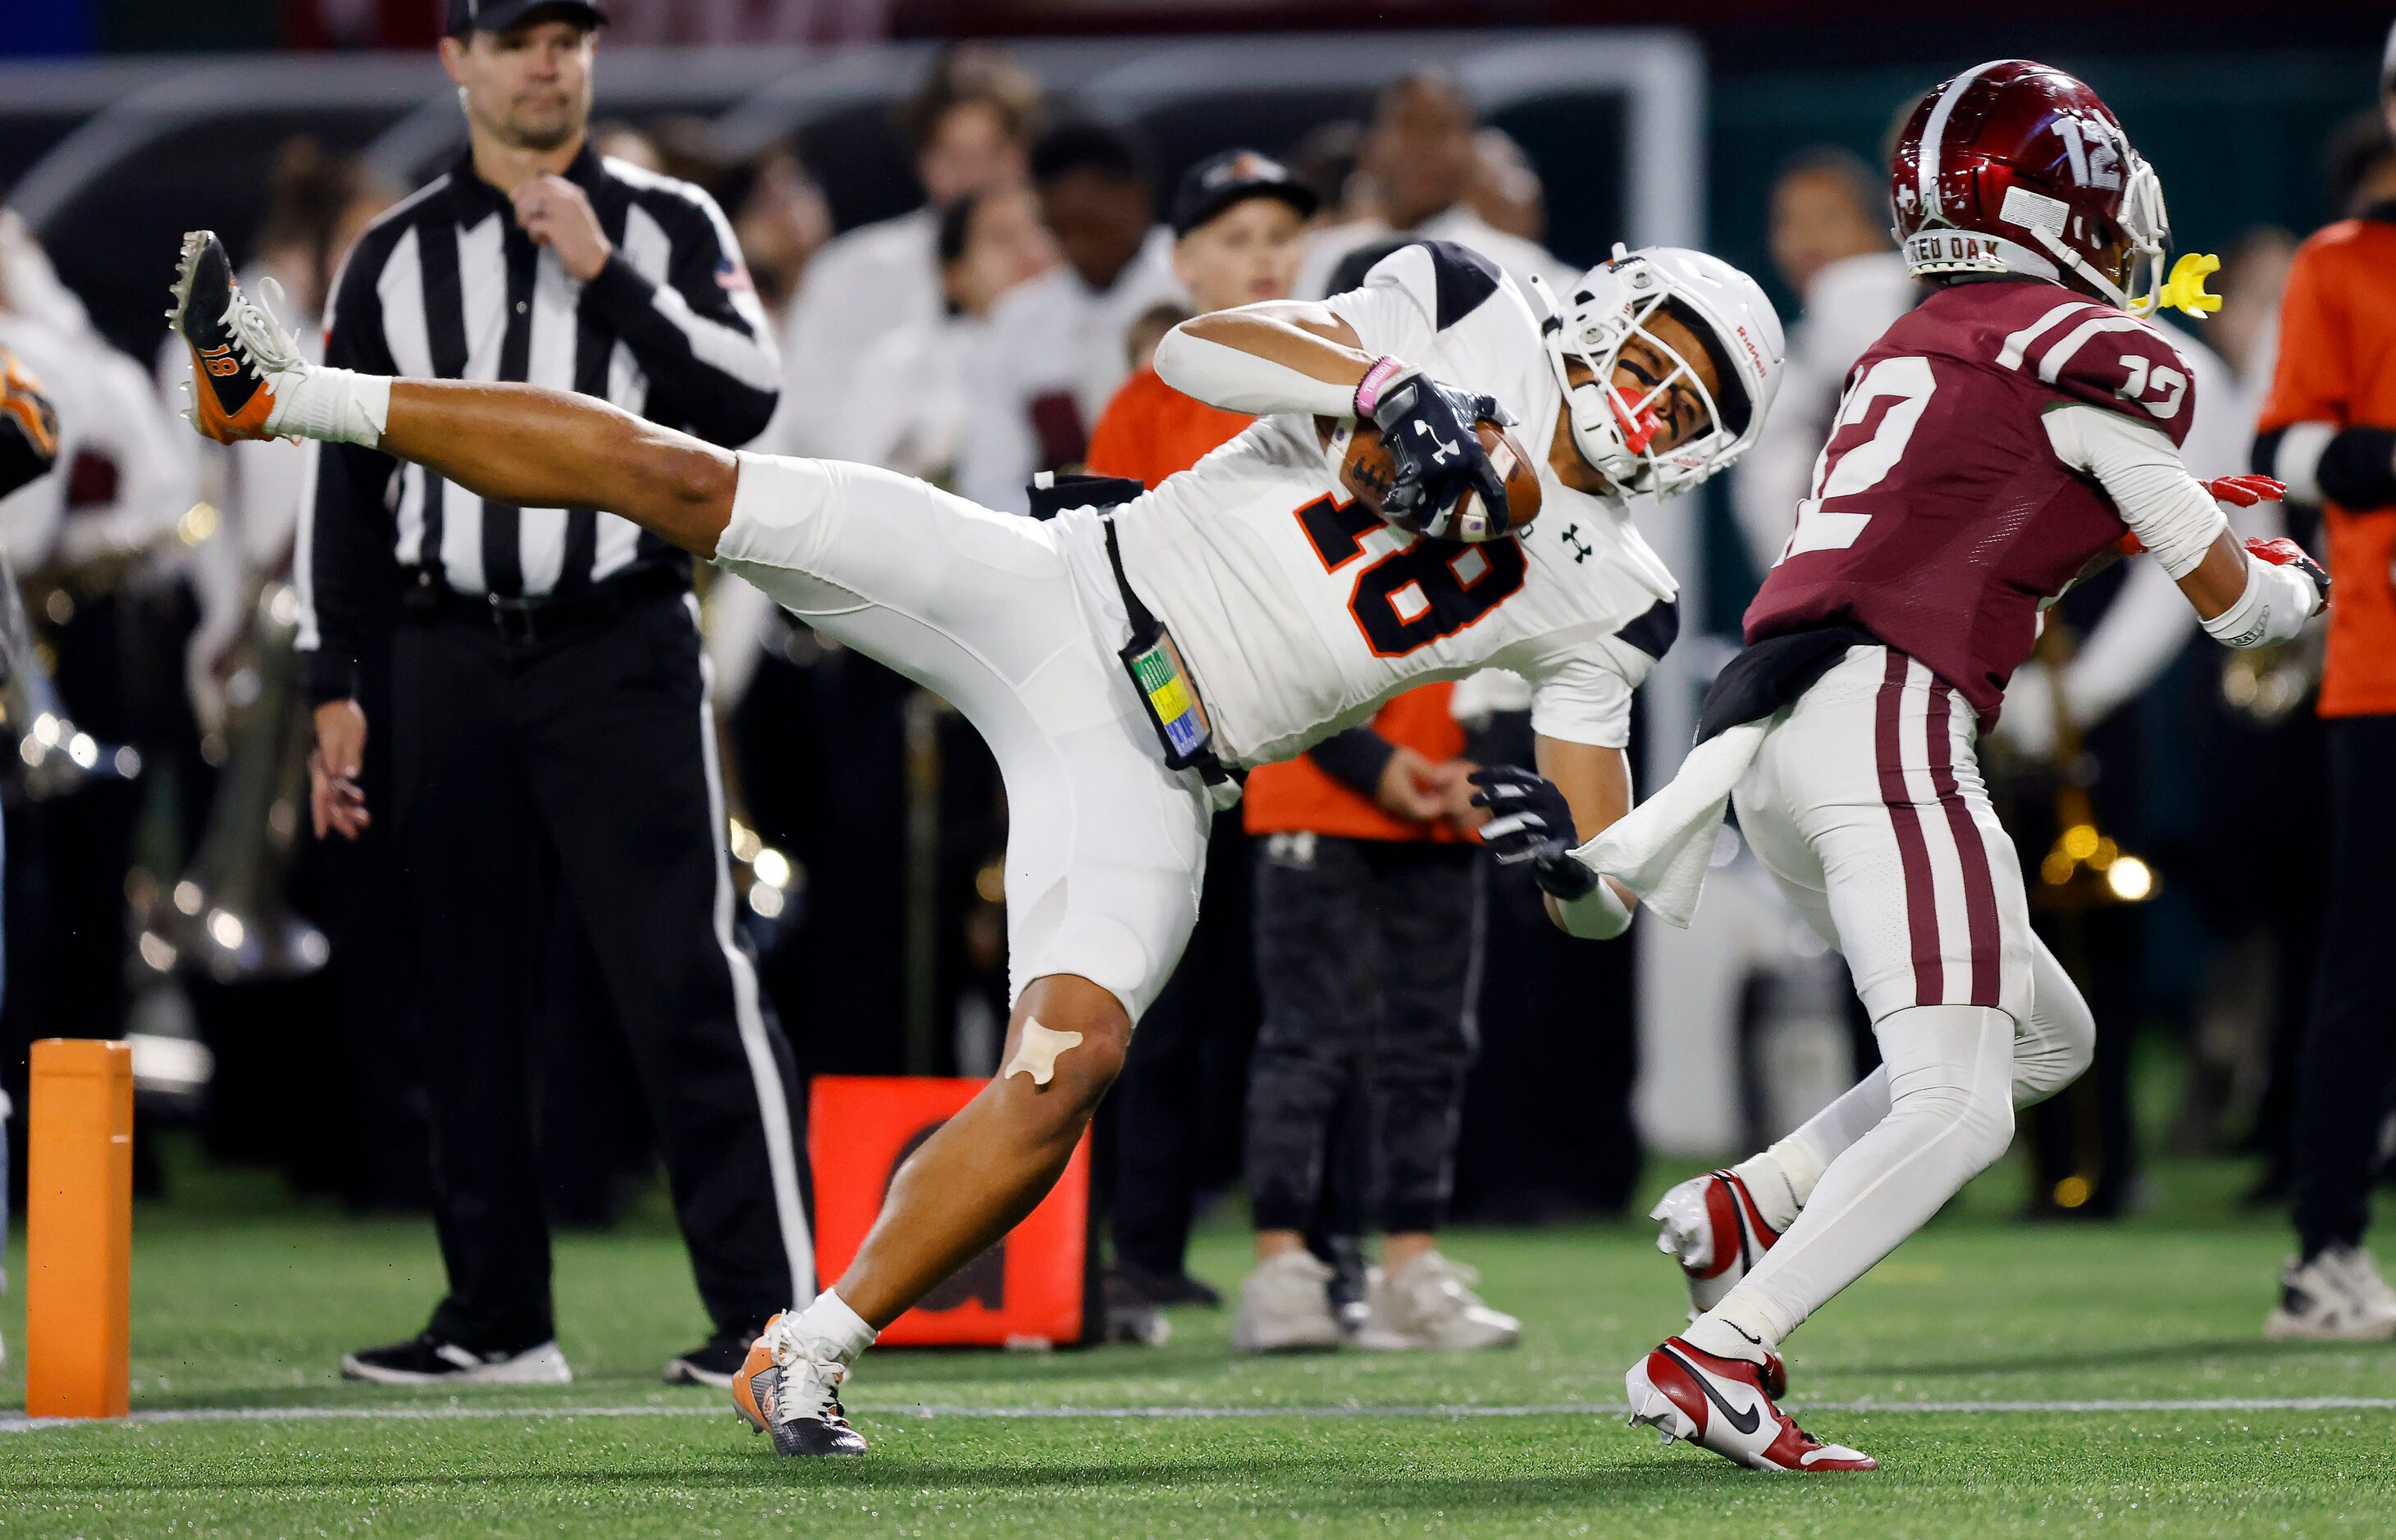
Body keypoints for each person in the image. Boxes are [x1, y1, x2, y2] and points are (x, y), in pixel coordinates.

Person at [172, 205, 1783, 1455]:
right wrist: (1378, 386)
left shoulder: (1614, 596)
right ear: (1598, 303)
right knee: (692, 485)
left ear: (1704, 444)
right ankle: (284, 391)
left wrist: (1572, 872)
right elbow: (1197, 355)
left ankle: (804, 1346)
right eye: (1652, 351)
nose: (1647, 397)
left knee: (1066, 1062)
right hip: (1061, 587)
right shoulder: (1458, 306)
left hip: (1157, 764)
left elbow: (1597, 887)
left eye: (1685, 398)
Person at [1527, 60, 2328, 1471]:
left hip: (1772, 732)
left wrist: (2165, 505)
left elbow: (1979, 495)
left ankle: (1752, 1200)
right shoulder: (2081, 347)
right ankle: (1721, 1349)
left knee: (2047, 1034)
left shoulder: (1922, 337)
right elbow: (2233, 602)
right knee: (1956, 1100)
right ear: (2061, 195)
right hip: (1889, 725)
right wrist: (2296, 577)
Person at [283, 0, 810, 1391]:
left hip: (618, 639)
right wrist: (334, 678)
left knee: (682, 974)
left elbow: (749, 401)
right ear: (455, 58)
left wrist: (607, 274)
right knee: (460, 993)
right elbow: (344, 475)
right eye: (516, 36)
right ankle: (496, 1316)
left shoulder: (673, 223)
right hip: (444, 650)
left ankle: (769, 1313)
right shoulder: (390, 254)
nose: (546, 61)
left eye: (569, 35)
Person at [1079, 150, 1308, 1319]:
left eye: (1278, 233)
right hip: (1177, 753)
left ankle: (1316, 1252)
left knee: (1296, 1023)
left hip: (1320, 768)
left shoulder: (1340, 382)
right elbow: (1096, 578)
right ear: (1178, 263)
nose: (1263, 255)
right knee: (1156, 1017)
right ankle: (1142, 1245)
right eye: (1233, 237)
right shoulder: (1148, 401)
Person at [2246, 30, 2396, 1341]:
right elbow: (2279, 445)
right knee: (2369, 968)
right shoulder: (2341, 262)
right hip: (2382, 668)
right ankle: (2325, 1248)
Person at [772, 45, 1041, 459]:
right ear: (922, 160)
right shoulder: (852, 270)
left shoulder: (1059, 262)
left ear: (1022, 153)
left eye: (993, 154)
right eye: (955, 156)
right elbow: (806, 413)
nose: (976, 178)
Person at [952, 120, 1184, 512]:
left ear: (1135, 199)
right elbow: (989, 481)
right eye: (1062, 228)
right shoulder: (1020, 319)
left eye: (1091, 225)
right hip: (1061, 539)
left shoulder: (1192, 287)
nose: (1078, 244)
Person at [1731, 148, 1919, 581]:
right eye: (1789, 222)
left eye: (1830, 217)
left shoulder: (1907, 305)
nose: (1807, 238)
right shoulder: (1786, 357)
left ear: (1879, 229)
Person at [1298, 73, 1572, 304]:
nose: (1424, 150)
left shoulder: (1511, 268)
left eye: (1441, 130)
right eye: (1409, 126)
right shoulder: (1315, 260)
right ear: (1370, 148)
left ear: (1471, 151)